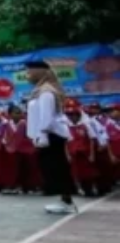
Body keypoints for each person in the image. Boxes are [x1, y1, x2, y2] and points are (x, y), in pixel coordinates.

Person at [25, 60, 76, 214]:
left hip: (51, 135)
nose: (27, 75)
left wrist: (42, 137)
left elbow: (46, 119)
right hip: (48, 135)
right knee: (54, 168)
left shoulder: (47, 91)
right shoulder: (40, 90)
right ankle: (63, 199)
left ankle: (66, 201)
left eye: (30, 71)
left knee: (57, 168)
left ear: (39, 72)